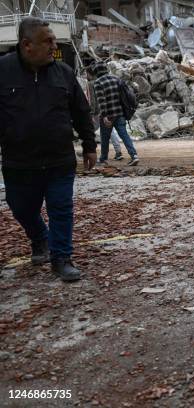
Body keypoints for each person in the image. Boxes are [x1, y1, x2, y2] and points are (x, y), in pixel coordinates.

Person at [0, 17, 97, 281]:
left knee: (61, 207)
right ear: (27, 45)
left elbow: (81, 111)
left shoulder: (63, 72)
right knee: (20, 207)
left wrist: (90, 145)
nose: (54, 46)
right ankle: (40, 238)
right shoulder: (3, 70)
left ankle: (61, 259)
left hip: (59, 160)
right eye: (48, 41)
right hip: (19, 162)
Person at [91, 62, 139, 166]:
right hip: (120, 113)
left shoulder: (98, 83)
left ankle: (103, 158)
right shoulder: (116, 79)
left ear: (96, 72)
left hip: (108, 115)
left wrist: (104, 116)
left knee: (105, 137)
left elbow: (101, 101)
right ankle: (134, 155)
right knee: (124, 135)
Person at [85, 66, 123, 161]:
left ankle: (89, 151)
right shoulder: (102, 81)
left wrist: (92, 112)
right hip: (105, 110)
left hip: (97, 112)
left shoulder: (90, 84)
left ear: (90, 74)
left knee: (89, 131)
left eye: (86, 74)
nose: (86, 76)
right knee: (110, 131)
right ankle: (118, 151)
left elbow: (92, 99)